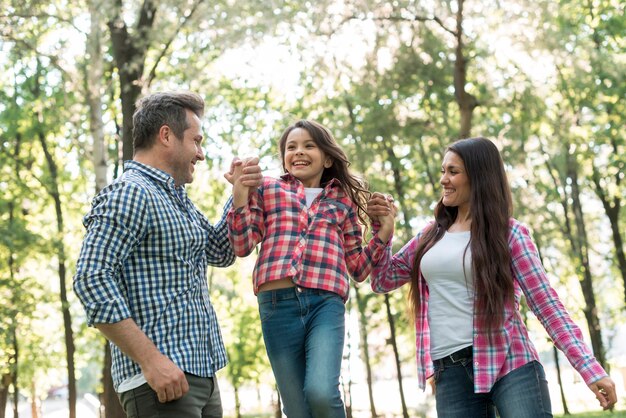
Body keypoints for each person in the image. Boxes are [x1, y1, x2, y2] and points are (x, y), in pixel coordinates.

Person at [367, 137, 617, 417]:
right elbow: (382, 280)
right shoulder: (430, 235)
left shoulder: (509, 234)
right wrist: (384, 234)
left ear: (478, 176)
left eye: (453, 172)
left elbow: (547, 306)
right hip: (450, 372)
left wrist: (589, 368)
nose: (443, 180)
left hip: (511, 364)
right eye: (442, 171)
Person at [73, 91, 263, 418]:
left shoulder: (177, 198)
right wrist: (151, 360)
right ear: (166, 136)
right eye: (196, 141)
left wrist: (238, 196)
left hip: (200, 372)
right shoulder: (132, 191)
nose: (201, 154)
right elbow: (91, 278)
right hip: (159, 382)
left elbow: (220, 250)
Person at [225, 119, 395, 418]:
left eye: (308, 145)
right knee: (297, 409)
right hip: (276, 306)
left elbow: (357, 268)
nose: (298, 152)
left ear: (327, 158)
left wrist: (383, 233)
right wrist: (240, 195)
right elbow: (242, 245)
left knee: (320, 392)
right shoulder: (267, 189)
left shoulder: (342, 202)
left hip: (324, 305)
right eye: (291, 147)